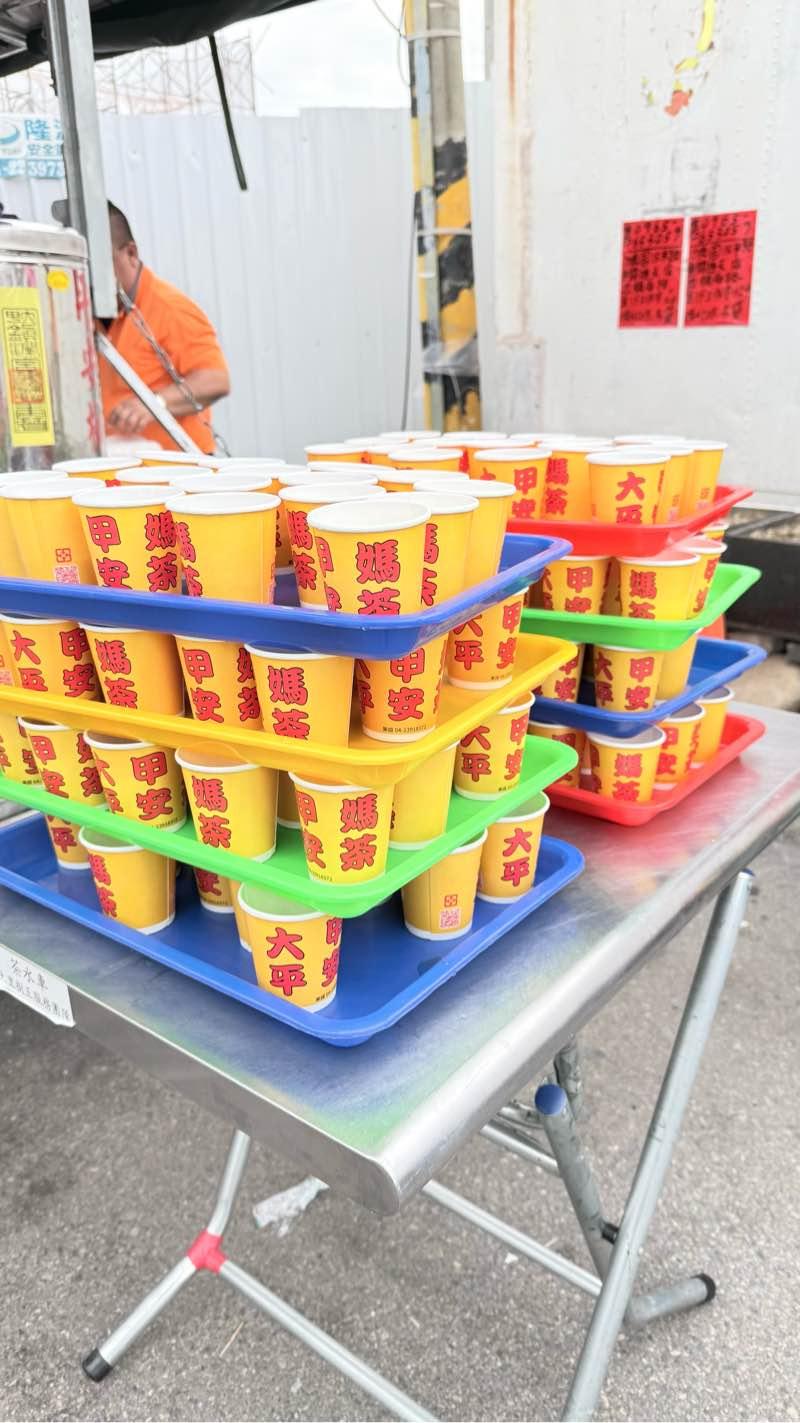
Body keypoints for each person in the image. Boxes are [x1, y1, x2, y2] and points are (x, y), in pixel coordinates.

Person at [100, 202, 230, 454]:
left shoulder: (170, 308)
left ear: (131, 253)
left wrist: (153, 404)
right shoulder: (90, 315)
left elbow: (216, 380)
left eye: (102, 265)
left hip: (181, 466)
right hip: (123, 461)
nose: (92, 278)